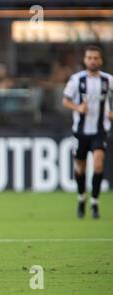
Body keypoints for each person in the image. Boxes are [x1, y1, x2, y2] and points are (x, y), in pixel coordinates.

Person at [62, 45, 113, 219]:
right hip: (80, 132)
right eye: (89, 58)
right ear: (85, 60)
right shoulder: (76, 80)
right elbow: (65, 101)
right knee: (80, 168)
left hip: (100, 130)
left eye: (95, 58)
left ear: (100, 60)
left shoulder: (108, 80)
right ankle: (82, 198)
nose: (92, 60)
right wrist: (77, 107)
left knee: (98, 165)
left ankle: (95, 203)